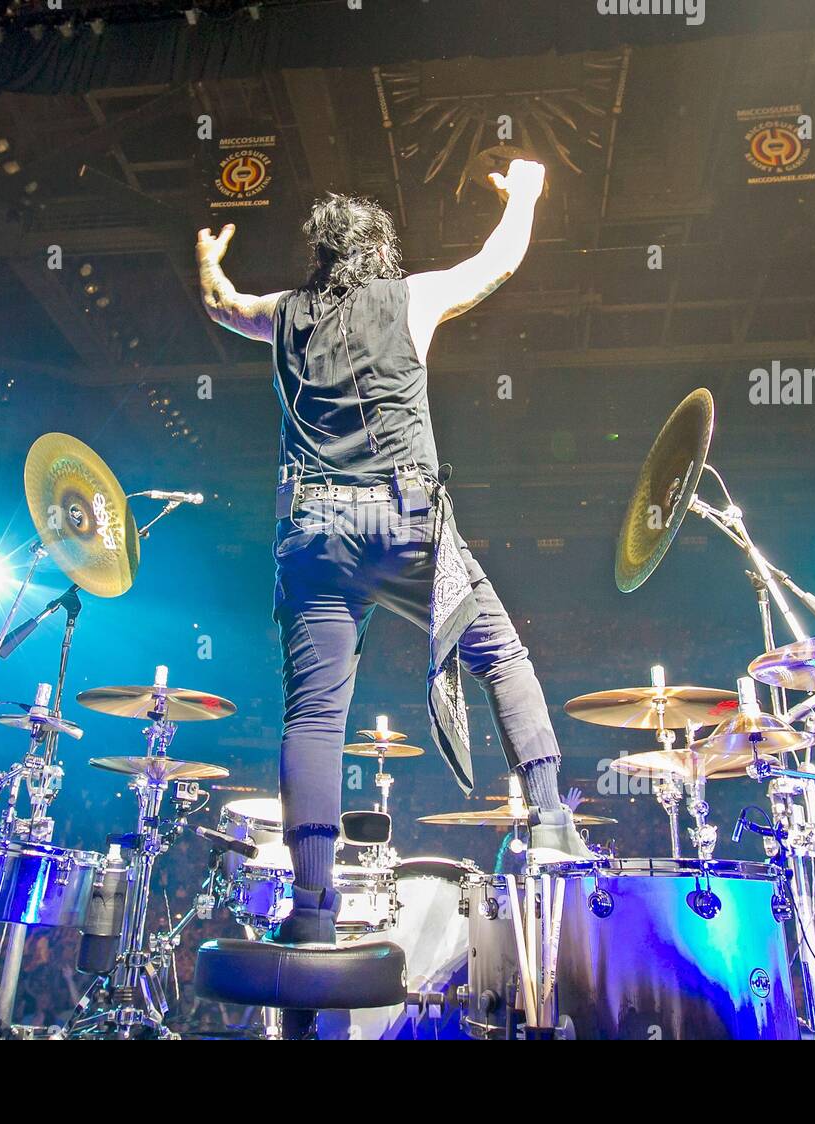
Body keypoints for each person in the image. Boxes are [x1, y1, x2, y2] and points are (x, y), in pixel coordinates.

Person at [196, 157, 591, 959]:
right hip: (406, 521)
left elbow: (223, 305)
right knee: (502, 656)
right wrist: (523, 194)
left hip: (313, 532)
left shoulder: (286, 312)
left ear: (321, 256)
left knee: (314, 716)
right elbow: (498, 262)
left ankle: (311, 904)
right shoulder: (411, 295)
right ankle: (549, 821)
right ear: (380, 249)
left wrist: (209, 255)